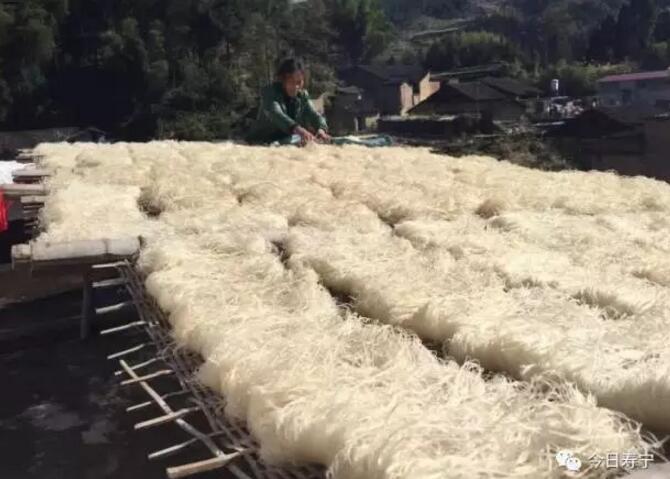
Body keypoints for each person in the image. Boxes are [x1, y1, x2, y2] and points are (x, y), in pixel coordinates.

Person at [246, 58, 331, 146]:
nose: (296, 87)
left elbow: (314, 115)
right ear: (282, 80)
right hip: (263, 140)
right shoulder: (270, 93)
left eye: (299, 82)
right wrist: (298, 129)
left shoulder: (302, 96)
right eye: (291, 82)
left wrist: (321, 129)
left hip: (288, 140)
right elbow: (276, 113)